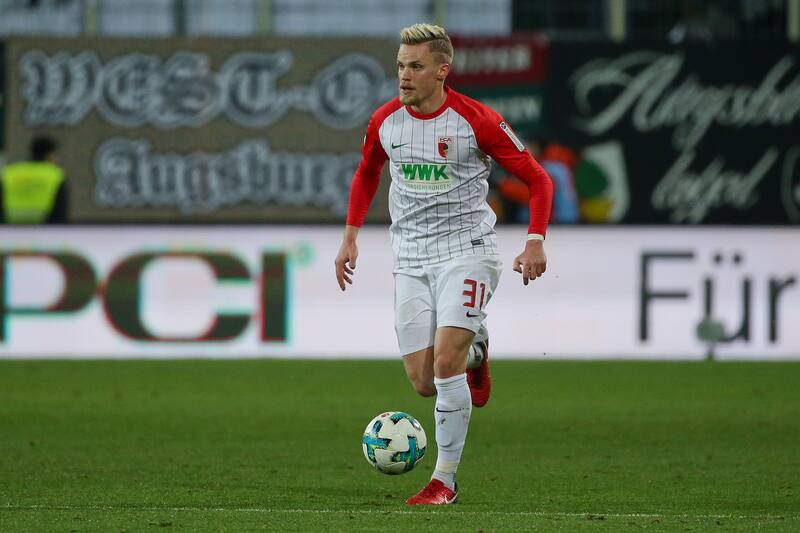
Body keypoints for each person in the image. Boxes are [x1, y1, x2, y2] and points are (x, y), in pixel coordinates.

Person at [334, 24, 553, 505]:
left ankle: (443, 482)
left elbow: (539, 179)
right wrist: (350, 238)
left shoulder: (478, 121)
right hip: (410, 257)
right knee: (423, 381)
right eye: (400, 65)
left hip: (467, 251)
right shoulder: (385, 121)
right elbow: (367, 172)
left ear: (441, 71)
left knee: (445, 362)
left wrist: (534, 241)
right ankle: (478, 351)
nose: (404, 75)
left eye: (415, 66)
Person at [1, 136, 67, 224]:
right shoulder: (55, 175)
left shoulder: (9, 172)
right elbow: (60, 210)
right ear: (50, 154)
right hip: (45, 227)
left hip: (9, 227)